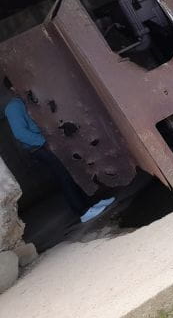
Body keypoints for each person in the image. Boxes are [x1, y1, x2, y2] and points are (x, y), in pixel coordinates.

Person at [3, 77, 115, 223]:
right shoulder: (13, 107)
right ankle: (82, 211)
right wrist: (44, 142)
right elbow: (20, 133)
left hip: (49, 144)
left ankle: (90, 204)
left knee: (72, 172)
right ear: (12, 88)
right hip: (40, 147)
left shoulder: (27, 101)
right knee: (64, 176)